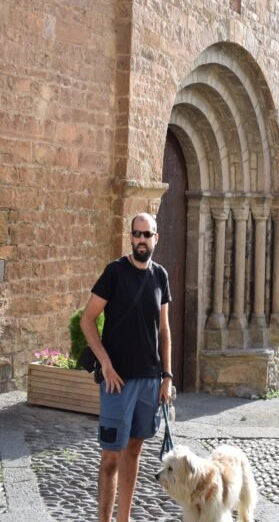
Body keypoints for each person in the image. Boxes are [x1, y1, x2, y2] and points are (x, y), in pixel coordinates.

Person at [80, 212, 174, 522]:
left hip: (149, 380)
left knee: (133, 451)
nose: (142, 240)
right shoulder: (114, 273)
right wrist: (105, 365)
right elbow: (87, 319)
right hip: (117, 381)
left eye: (147, 234)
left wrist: (167, 377)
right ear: (130, 237)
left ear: (155, 238)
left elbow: (164, 329)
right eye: (137, 234)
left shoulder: (160, 276)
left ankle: (124, 519)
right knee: (109, 457)